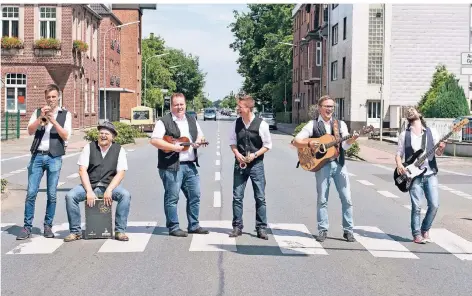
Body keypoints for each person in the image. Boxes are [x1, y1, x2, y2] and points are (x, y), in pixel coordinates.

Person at [292, 95, 358, 243]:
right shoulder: (312, 125)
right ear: (319, 108)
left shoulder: (340, 125)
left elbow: (344, 145)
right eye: (326, 106)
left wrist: (351, 140)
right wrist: (310, 144)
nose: (329, 109)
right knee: (322, 199)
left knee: (347, 198)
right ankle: (322, 229)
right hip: (322, 166)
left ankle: (348, 231)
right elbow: (297, 141)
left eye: (331, 107)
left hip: (339, 164)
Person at [17, 84, 72, 240]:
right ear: (45, 98)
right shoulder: (37, 112)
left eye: (54, 97)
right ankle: (27, 227)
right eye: (49, 97)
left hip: (54, 157)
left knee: (52, 194)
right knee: (31, 193)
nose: (51, 100)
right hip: (38, 156)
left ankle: (48, 226)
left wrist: (54, 121)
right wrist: (41, 117)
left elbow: (66, 135)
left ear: (58, 97)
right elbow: (30, 131)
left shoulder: (65, 114)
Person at [150, 93, 209, 237]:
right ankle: (173, 226)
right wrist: (173, 147)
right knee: (172, 197)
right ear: (171, 106)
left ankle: (194, 225)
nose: (179, 107)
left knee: (195, 195)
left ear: (185, 105)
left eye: (181, 104)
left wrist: (199, 141)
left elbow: (200, 135)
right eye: (176, 105)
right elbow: (155, 140)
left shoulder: (191, 119)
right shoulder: (163, 121)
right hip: (171, 166)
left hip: (190, 164)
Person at [63, 121, 131, 242]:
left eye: (107, 134)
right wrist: (89, 191)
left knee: (125, 195)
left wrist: (110, 189)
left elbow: (121, 173)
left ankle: (120, 231)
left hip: (108, 186)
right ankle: (75, 232)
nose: (103, 136)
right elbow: (82, 170)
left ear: (113, 137)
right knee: (70, 196)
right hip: (91, 185)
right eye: (101, 133)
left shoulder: (119, 150)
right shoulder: (89, 147)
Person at [395, 107, 445, 244]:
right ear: (408, 117)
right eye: (408, 111)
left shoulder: (431, 132)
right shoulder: (404, 135)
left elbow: (438, 154)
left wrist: (441, 148)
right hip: (413, 175)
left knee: (434, 205)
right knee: (416, 206)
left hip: (430, 173)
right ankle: (416, 234)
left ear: (419, 114)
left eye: (413, 109)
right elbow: (398, 154)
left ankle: (425, 229)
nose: (410, 110)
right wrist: (400, 165)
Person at [228, 94, 272, 240]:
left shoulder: (262, 124)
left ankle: (261, 228)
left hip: (256, 165)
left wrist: (255, 154)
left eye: (240, 107)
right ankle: (237, 226)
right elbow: (232, 142)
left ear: (248, 108)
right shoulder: (236, 123)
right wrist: (236, 153)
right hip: (240, 164)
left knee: (260, 197)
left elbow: (267, 145)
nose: (238, 109)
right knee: (237, 196)